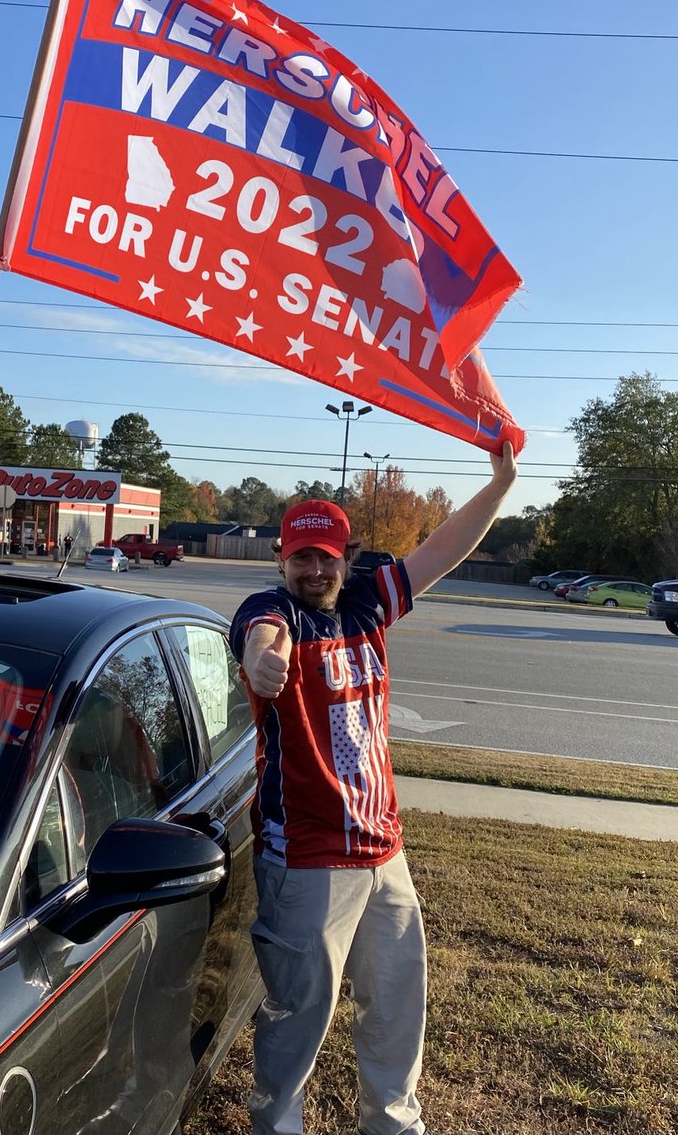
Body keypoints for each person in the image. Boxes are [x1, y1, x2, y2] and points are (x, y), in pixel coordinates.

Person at [229, 443, 517, 1135]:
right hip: (305, 858)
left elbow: (442, 548)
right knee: (298, 1021)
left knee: (395, 1008)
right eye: (301, 557)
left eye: (327, 555)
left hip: (384, 851)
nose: (315, 568)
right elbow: (259, 634)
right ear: (281, 560)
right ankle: (277, 1126)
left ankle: (391, 1124)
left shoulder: (367, 605)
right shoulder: (274, 610)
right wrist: (262, 662)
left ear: (346, 557)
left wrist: (501, 484)